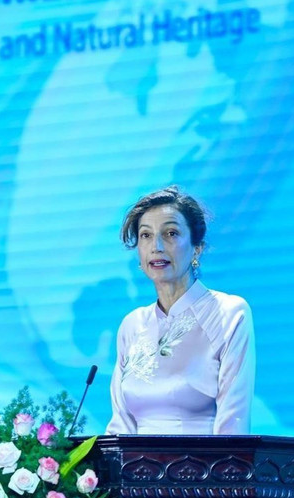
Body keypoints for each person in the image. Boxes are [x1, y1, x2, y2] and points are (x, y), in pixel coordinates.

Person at [106, 186, 255, 435]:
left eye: (171, 233)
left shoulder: (229, 313)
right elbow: (121, 425)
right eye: (146, 235)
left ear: (197, 248)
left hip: (204, 469)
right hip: (134, 472)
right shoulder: (132, 325)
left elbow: (233, 425)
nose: (157, 247)